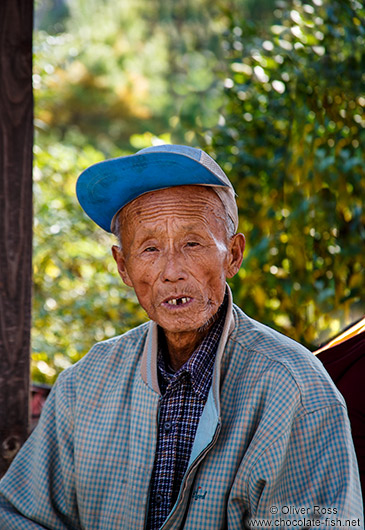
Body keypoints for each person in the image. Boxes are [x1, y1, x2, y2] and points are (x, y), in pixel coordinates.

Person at [0, 144, 363, 529]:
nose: (172, 271)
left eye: (193, 243)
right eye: (150, 248)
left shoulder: (296, 389)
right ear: (123, 267)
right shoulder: (85, 384)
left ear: (233, 255)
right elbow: (17, 514)